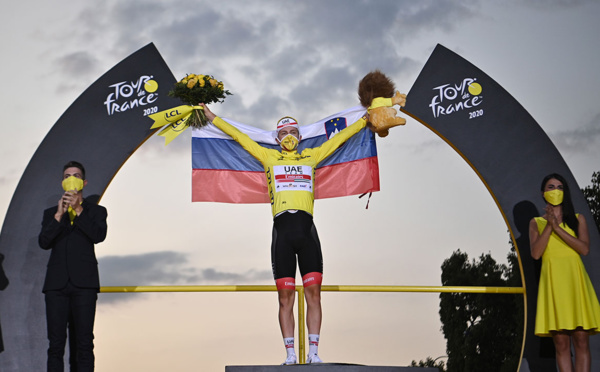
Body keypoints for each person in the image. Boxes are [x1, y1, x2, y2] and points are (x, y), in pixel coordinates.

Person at [200, 102, 391, 365]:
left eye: (293, 132)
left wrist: (364, 121)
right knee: (284, 298)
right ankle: (290, 354)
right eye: (283, 133)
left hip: (307, 230)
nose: (288, 136)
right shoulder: (269, 158)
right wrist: (213, 118)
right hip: (282, 232)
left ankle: (314, 352)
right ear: (277, 139)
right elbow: (240, 138)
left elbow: (339, 139)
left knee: (314, 294)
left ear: (300, 137)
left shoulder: (311, 156)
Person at [38, 161, 108, 372]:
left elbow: (98, 236)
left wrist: (78, 209)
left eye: (76, 175)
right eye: (68, 175)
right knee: (55, 344)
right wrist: (59, 215)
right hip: (56, 286)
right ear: (62, 182)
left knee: (84, 343)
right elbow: (44, 242)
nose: (72, 178)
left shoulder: (96, 211)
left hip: (84, 284)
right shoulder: (51, 212)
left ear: (83, 182)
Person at [529, 173, 600, 372]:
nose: (555, 191)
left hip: (575, 282)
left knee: (581, 340)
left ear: (565, 192)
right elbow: (536, 253)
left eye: (560, 187)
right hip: (554, 284)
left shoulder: (578, 219)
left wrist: (557, 227)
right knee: (561, 344)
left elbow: (584, 249)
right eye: (551, 187)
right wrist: (549, 226)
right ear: (543, 193)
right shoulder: (536, 223)